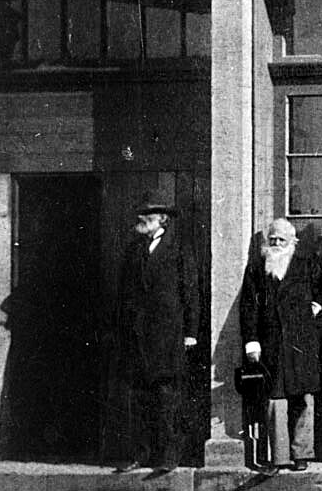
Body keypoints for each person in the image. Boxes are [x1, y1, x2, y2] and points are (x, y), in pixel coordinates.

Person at [240, 218, 322, 474]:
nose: (277, 244)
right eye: (273, 240)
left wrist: (318, 305)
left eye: (282, 240)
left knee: (303, 397)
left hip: (301, 341)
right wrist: (252, 342)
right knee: (276, 399)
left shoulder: (306, 266)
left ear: (293, 242)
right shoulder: (257, 269)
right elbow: (248, 307)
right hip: (271, 343)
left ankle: (302, 453)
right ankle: (279, 457)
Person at [115, 200, 198, 476]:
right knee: (139, 398)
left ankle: (168, 456)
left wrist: (191, 333)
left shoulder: (179, 248)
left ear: (162, 219)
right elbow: (124, 293)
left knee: (167, 399)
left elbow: (190, 293)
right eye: (141, 213)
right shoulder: (134, 249)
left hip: (168, 336)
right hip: (139, 337)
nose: (142, 218)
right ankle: (140, 454)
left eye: (148, 214)